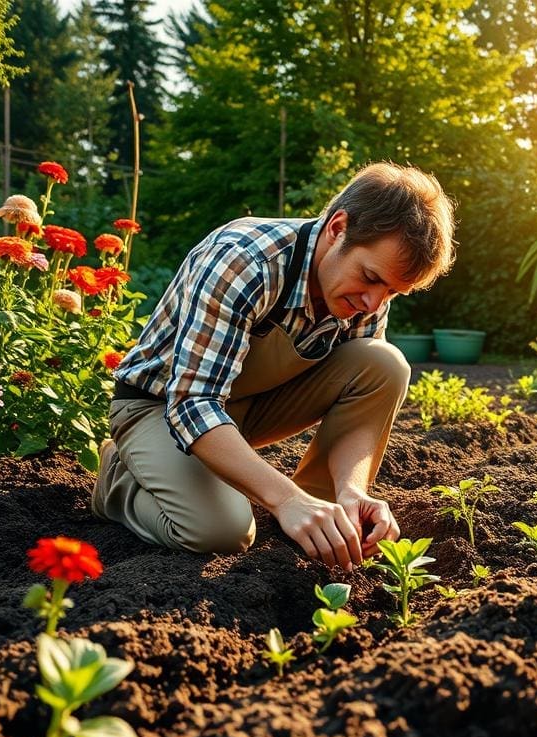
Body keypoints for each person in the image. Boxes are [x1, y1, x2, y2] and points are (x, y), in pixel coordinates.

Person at [91, 162, 456, 572]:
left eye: (391, 291)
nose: (374, 302)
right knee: (220, 531)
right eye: (370, 277)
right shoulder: (245, 261)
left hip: (243, 409)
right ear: (338, 228)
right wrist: (284, 499)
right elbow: (193, 404)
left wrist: (352, 491)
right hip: (159, 406)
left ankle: (321, 512)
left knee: (383, 363)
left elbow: (365, 385)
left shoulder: (364, 296)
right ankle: (118, 482)